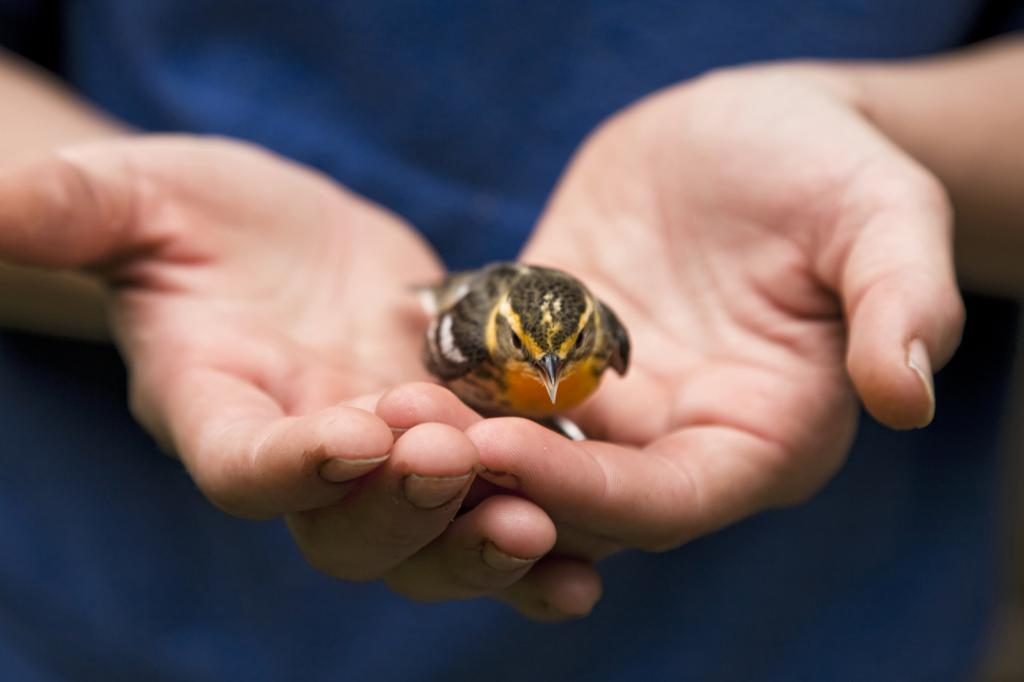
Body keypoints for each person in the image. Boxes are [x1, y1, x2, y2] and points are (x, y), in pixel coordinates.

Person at [0, 2, 1021, 680]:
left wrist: (892, 134)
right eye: (519, 365)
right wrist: (138, 263)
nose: (542, 374)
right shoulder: (458, 336)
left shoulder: (601, 342)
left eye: (556, 366)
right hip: (94, 606)